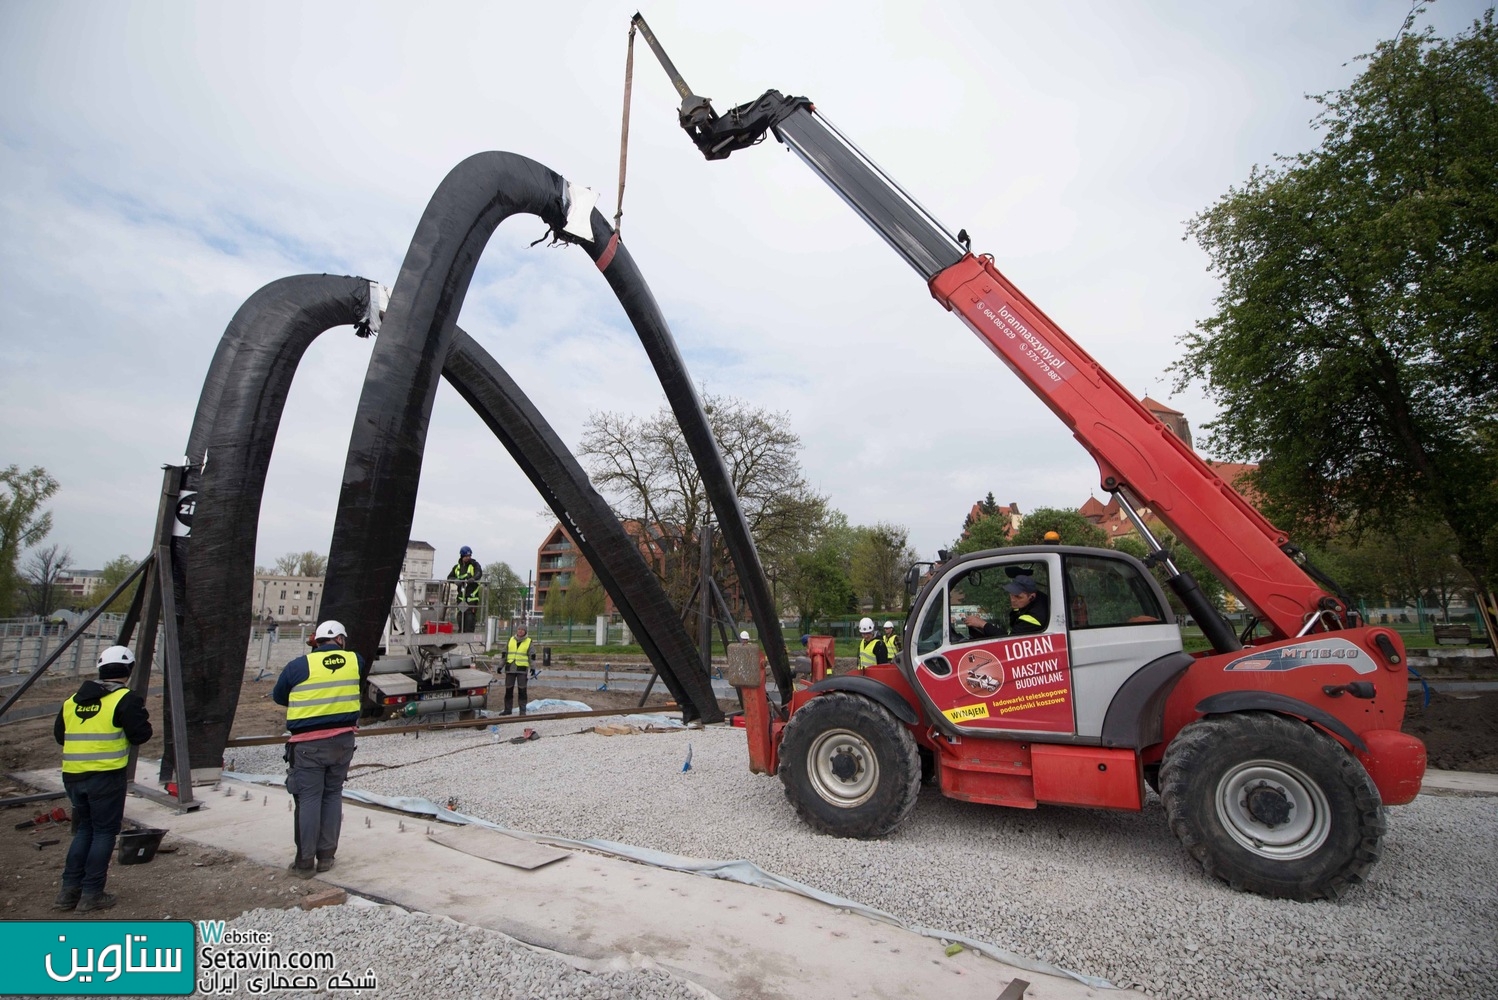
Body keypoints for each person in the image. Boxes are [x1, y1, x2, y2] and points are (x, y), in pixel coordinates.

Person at [52, 645, 153, 913]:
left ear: (100, 669)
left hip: (73, 777)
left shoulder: (72, 701)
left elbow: (61, 736)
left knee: (85, 829)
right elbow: (141, 735)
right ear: (128, 671)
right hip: (106, 777)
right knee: (104, 832)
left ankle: (68, 891)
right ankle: (91, 893)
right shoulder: (125, 699)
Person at [271, 619, 365, 878]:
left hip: (308, 745)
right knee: (333, 795)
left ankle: (304, 863)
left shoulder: (298, 666)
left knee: (309, 798)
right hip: (343, 742)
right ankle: (326, 858)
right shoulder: (355, 661)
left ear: (316, 641)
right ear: (341, 640)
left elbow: (279, 696)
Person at [447, 545, 483, 633]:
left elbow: (479, 573)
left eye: (469, 556)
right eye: (466, 556)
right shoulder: (457, 568)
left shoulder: (474, 564)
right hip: (461, 597)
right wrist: (455, 580)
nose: (468, 558)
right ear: (462, 556)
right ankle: (461, 633)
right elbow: (449, 577)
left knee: (470, 616)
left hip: (472, 596)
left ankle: (469, 634)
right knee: (460, 615)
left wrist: (473, 579)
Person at [501, 623, 533, 716]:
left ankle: (522, 711)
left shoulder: (529, 641)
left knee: (522, 691)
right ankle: (507, 709)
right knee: (508, 690)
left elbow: (532, 656)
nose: (520, 631)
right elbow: (504, 654)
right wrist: (500, 666)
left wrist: (533, 668)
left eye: (522, 630)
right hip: (510, 668)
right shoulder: (510, 640)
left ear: (525, 632)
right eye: (519, 629)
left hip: (522, 669)